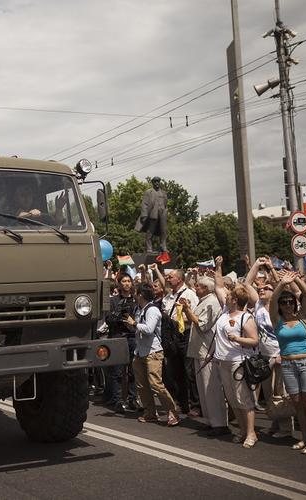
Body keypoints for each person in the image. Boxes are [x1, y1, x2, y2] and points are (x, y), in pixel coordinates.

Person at [270, 272, 306, 455]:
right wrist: (281, 284)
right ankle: (304, 438)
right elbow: (272, 300)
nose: (288, 305)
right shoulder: (277, 321)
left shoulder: (302, 317)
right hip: (288, 365)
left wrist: (295, 279)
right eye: (284, 303)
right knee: (297, 403)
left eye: (291, 302)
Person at [212, 255, 259, 448]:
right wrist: (218, 266)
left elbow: (254, 340)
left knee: (244, 399)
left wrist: (238, 339)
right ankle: (241, 430)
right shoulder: (225, 311)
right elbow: (218, 285)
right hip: (223, 361)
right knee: (232, 399)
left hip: (238, 362)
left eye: (229, 296)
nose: (226, 296)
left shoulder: (245, 317)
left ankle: (251, 433)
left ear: (235, 300)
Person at [245, 258, 293, 438]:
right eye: (260, 289)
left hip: (279, 355)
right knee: (269, 393)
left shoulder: (280, 307)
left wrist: (283, 354)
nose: (261, 290)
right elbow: (247, 283)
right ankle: (275, 423)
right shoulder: (258, 304)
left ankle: (286, 429)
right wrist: (256, 265)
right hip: (264, 357)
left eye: (266, 288)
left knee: (281, 393)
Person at [124, 282, 181, 426]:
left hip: (153, 352)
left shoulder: (153, 310)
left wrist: (134, 324)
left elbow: (149, 329)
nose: (134, 296)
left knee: (156, 384)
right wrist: (130, 324)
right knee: (142, 385)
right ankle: (150, 413)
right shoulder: (138, 309)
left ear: (141, 295)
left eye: (136, 293)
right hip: (140, 351)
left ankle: (172, 411)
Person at [180, 276, 228, 435]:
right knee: (203, 388)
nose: (196, 288)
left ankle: (219, 423)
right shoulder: (204, 300)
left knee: (211, 388)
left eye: (199, 286)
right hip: (199, 351)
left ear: (206, 288)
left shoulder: (212, 302)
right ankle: (210, 420)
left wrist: (187, 309)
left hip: (207, 351)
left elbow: (202, 325)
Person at [162, 268, 200, 416]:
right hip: (173, 336)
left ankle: (196, 404)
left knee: (189, 371)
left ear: (179, 279)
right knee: (175, 370)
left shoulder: (190, 294)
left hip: (185, 334)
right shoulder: (169, 296)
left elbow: (195, 315)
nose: (168, 279)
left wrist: (179, 319)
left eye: (170, 277)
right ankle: (181, 402)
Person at [104, 274, 138, 413]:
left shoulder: (136, 300)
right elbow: (108, 320)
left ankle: (132, 399)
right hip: (118, 337)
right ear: (119, 284)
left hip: (132, 337)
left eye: (129, 281)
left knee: (133, 371)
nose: (127, 283)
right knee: (117, 372)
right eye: (124, 281)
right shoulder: (113, 300)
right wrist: (118, 315)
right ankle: (117, 400)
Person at [134, 176, 167, 253]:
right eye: (155, 181)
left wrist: (165, 212)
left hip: (162, 214)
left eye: (158, 181)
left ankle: (163, 246)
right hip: (153, 214)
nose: (157, 183)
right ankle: (149, 248)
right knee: (150, 231)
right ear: (152, 183)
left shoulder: (164, 193)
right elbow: (144, 204)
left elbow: (165, 204)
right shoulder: (148, 192)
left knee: (163, 231)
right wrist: (144, 215)